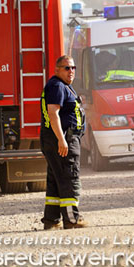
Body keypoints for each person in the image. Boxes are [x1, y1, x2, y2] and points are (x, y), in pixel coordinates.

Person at [40, 55, 86, 229]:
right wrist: (61, 140)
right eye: (67, 68)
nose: (71, 71)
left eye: (73, 68)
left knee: (55, 179)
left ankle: (51, 220)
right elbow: (53, 113)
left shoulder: (63, 86)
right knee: (69, 177)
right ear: (57, 69)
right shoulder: (57, 86)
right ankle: (71, 219)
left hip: (59, 139)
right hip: (61, 139)